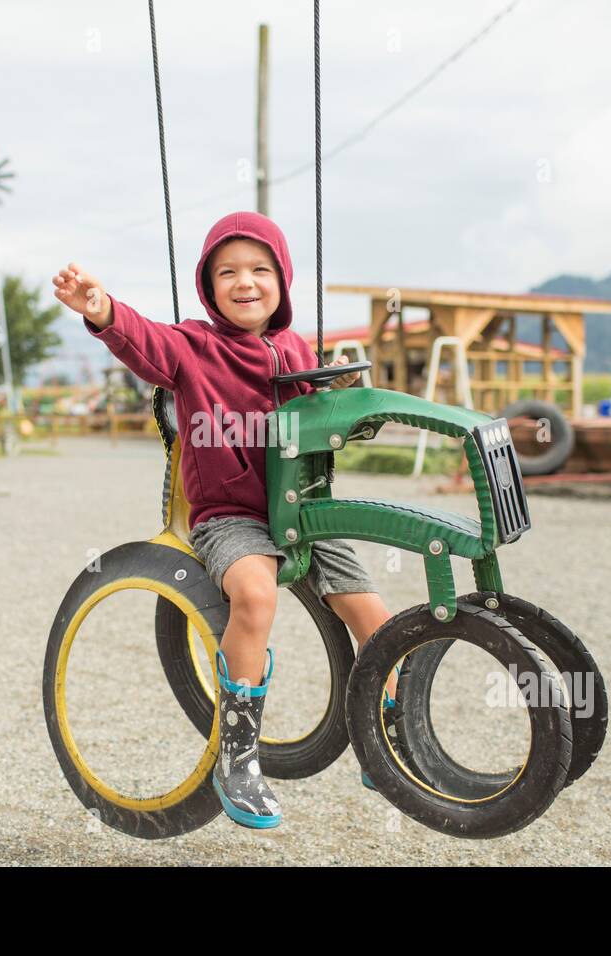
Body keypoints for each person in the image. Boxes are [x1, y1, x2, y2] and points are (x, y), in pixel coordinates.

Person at [53, 211, 398, 829]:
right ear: (208, 288)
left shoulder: (296, 350)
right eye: (227, 272)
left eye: (261, 269)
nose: (246, 282)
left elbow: (326, 415)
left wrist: (342, 389)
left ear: (283, 282)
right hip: (229, 517)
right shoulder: (192, 347)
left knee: (377, 619)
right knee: (256, 596)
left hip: (302, 510)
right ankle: (239, 753)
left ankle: (381, 742)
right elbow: (146, 340)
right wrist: (103, 309)